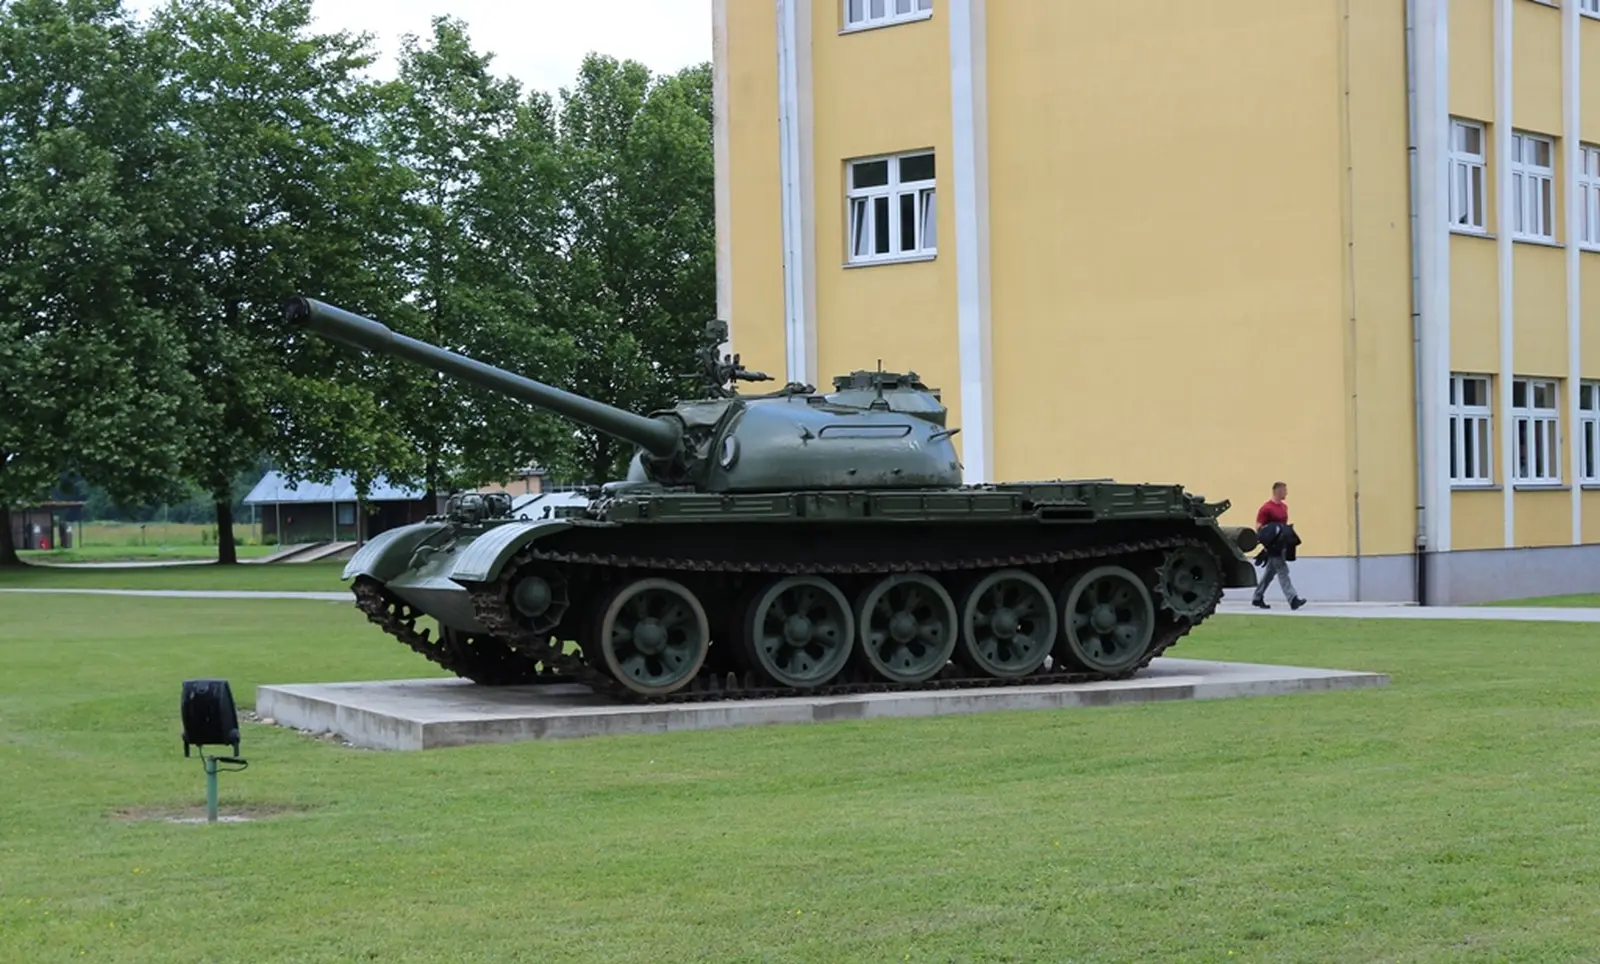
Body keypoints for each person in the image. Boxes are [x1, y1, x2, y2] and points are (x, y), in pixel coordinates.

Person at [1252, 481, 1306, 611]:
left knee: (1270, 572)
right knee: (1283, 570)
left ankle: (1257, 597)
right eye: (1285, 490)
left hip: (1282, 544)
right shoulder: (1266, 508)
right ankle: (1293, 599)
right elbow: (1259, 527)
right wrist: (1266, 545)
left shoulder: (1284, 507)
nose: (1286, 493)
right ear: (1278, 491)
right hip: (1273, 546)